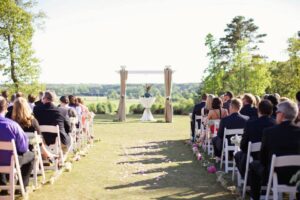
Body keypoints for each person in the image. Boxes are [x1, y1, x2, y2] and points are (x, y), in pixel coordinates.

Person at [249, 100, 300, 200]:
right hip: (297, 177)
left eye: (277, 112)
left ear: (281, 114)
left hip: (275, 176)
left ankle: (254, 197)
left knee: (253, 165)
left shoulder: (269, 132)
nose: (276, 114)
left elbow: (262, 158)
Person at [0, 96, 34, 191]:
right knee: (31, 156)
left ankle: (3, 185)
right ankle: (21, 186)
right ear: (5, 109)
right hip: (10, 162)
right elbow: (23, 148)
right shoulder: (12, 125)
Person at [234, 100, 276, 177]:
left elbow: (243, 146)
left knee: (238, 155)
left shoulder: (250, 124)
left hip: (254, 156)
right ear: (271, 111)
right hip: (271, 158)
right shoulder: (276, 124)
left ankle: (246, 178)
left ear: (258, 110)